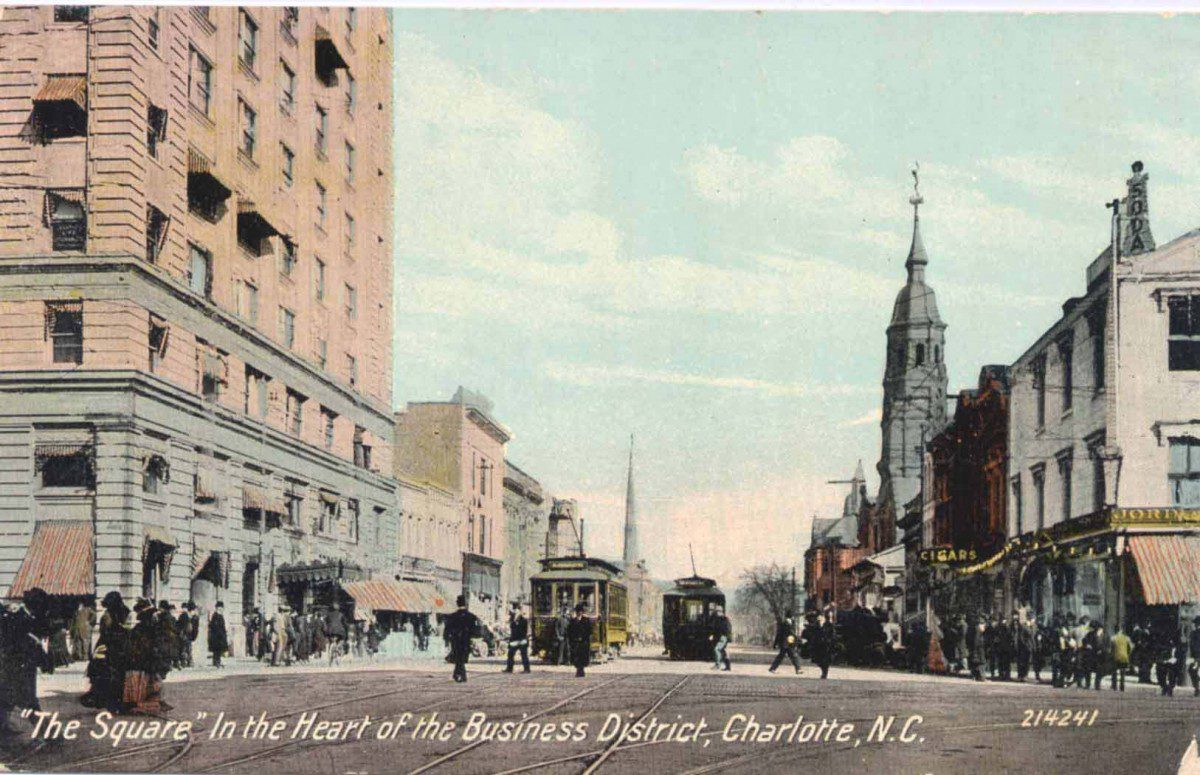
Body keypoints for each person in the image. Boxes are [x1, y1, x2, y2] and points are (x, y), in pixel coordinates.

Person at [0, 588, 51, 734]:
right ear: (36, 606)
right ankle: (48, 733)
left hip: (16, 666)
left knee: (6, 698)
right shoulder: (19, 619)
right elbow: (22, 645)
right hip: (18, 666)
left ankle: (3, 727)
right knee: (28, 701)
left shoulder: (23, 617)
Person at [82, 591, 129, 714]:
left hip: (107, 645)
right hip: (122, 646)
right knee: (119, 674)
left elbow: (105, 631)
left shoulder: (107, 615)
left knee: (102, 672)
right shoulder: (124, 612)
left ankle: (103, 699)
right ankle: (118, 702)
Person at [443, 596, 479, 683]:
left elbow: (447, 629)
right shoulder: (471, 617)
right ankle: (461, 675)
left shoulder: (452, 616)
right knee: (461, 658)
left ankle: (459, 675)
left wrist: (446, 639)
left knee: (459, 658)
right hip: (466, 641)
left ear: (457, 603)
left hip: (455, 640)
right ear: (465, 603)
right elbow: (475, 631)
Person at [768, 610, 802, 674]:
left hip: (788, 643)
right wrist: (798, 639)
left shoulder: (790, 623)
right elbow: (783, 634)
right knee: (793, 656)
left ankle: (772, 668)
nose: (793, 617)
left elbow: (779, 634)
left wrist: (775, 644)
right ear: (791, 616)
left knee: (783, 656)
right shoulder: (785, 623)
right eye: (793, 616)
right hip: (786, 643)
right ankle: (798, 669)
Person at [504, 602, 531, 674]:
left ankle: (527, 669)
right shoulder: (512, 620)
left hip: (522, 640)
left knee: (524, 655)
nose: (515, 611)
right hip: (514, 640)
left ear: (520, 611)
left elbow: (525, 631)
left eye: (516, 610)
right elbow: (511, 628)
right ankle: (509, 669)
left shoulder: (524, 620)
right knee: (510, 654)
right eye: (514, 609)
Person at [567, 603, 592, 678]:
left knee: (582, 657)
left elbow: (589, 631)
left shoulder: (586, 620)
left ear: (582, 612)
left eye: (580, 611)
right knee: (576, 657)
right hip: (575, 642)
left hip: (583, 642)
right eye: (578, 611)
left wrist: (584, 638)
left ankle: (581, 671)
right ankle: (579, 670)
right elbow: (569, 631)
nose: (579, 612)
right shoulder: (573, 621)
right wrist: (572, 639)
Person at [1110, 626, 1132, 692]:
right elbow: (1130, 648)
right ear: (1121, 630)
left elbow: (1111, 648)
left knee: (1114, 672)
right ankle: (1122, 686)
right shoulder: (1127, 638)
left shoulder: (1113, 638)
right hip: (1124, 656)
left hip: (1115, 656)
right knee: (1122, 672)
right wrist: (1128, 653)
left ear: (1115, 630)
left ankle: (1114, 686)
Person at [711, 606, 732, 671]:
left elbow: (725, 629)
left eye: (716, 611)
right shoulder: (721, 619)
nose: (716, 613)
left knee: (717, 649)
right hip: (721, 637)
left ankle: (717, 665)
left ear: (720, 612)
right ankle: (728, 666)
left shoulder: (723, 619)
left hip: (723, 637)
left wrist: (725, 637)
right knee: (722, 651)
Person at [208, 602, 228, 668]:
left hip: (220, 635)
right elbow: (214, 626)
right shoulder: (215, 616)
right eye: (221, 608)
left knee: (218, 650)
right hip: (217, 636)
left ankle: (217, 661)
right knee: (217, 650)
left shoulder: (220, 616)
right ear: (218, 608)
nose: (222, 609)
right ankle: (216, 662)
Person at [1188, 616, 1200, 698]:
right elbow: (1192, 646)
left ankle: (1197, 688)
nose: (1196, 625)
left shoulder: (1194, 634)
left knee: (1192, 670)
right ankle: (1197, 688)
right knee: (1192, 670)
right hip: (1196, 656)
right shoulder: (1193, 633)